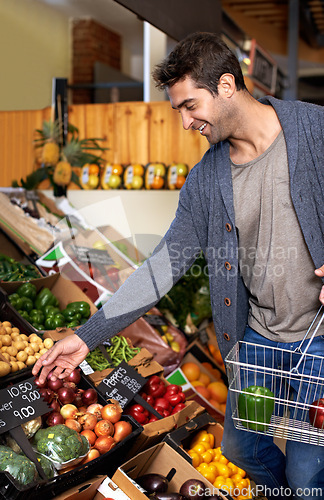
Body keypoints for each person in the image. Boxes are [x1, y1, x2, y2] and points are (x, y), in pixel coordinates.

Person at [33, 32, 324, 499]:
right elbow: (161, 267)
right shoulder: (207, 180)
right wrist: (85, 338)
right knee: (242, 447)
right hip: (258, 339)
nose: (186, 122)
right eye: (179, 111)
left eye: (191, 105)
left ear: (226, 85)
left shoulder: (314, 132)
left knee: (309, 475)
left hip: (318, 339)